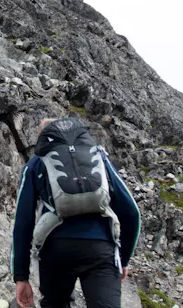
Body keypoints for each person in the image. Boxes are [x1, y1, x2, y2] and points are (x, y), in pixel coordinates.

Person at [10, 118, 140, 308]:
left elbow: (23, 222)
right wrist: (123, 258)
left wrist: (21, 276)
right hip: (100, 248)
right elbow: (131, 211)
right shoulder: (97, 156)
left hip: (55, 249)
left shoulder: (36, 163)